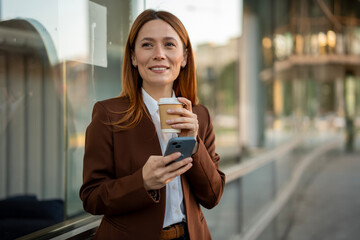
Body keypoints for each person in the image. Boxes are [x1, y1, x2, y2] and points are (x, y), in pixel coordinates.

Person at [79, 9, 225, 240]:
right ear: (134, 57)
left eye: (169, 44)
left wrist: (193, 141)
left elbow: (212, 196)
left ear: (184, 57)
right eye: (147, 45)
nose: (159, 54)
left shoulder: (199, 115)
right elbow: (92, 197)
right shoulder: (109, 114)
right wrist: (142, 182)